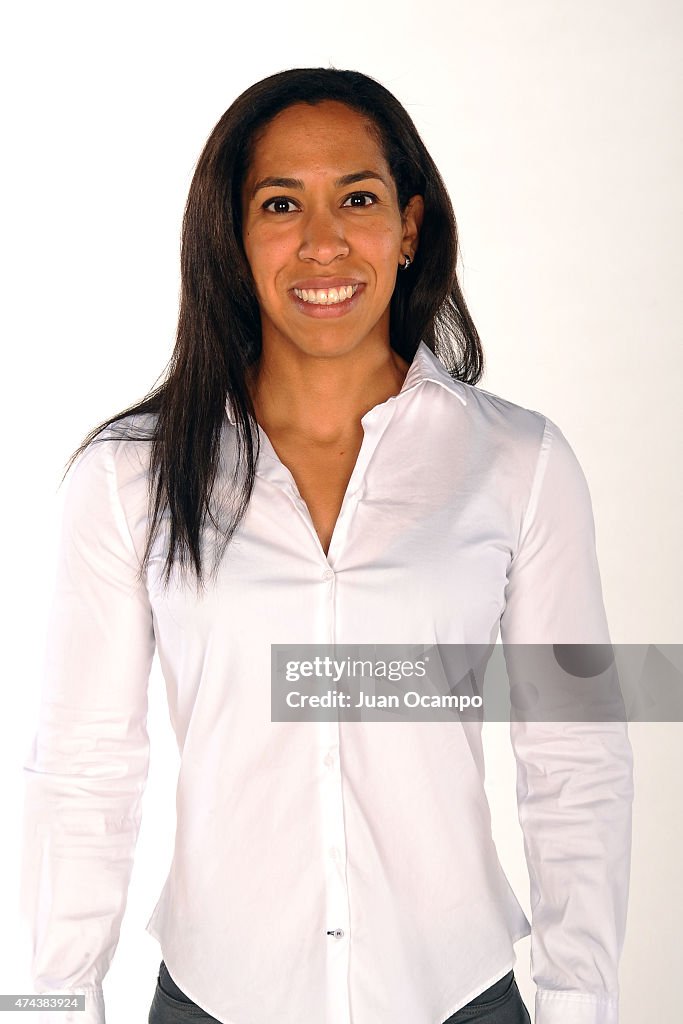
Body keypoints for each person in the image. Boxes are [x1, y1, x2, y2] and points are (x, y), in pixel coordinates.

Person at [20, 68, 633, 1024]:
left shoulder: (520, 462)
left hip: (459, 994)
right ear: (234, 234)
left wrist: (580, 999)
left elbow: (575, 747)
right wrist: (49, 1006)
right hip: (215, 998)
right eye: (279, 204)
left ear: (409, 227)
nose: (321, 242)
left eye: (357, 198)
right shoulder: (126, 479)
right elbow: (84, 763)